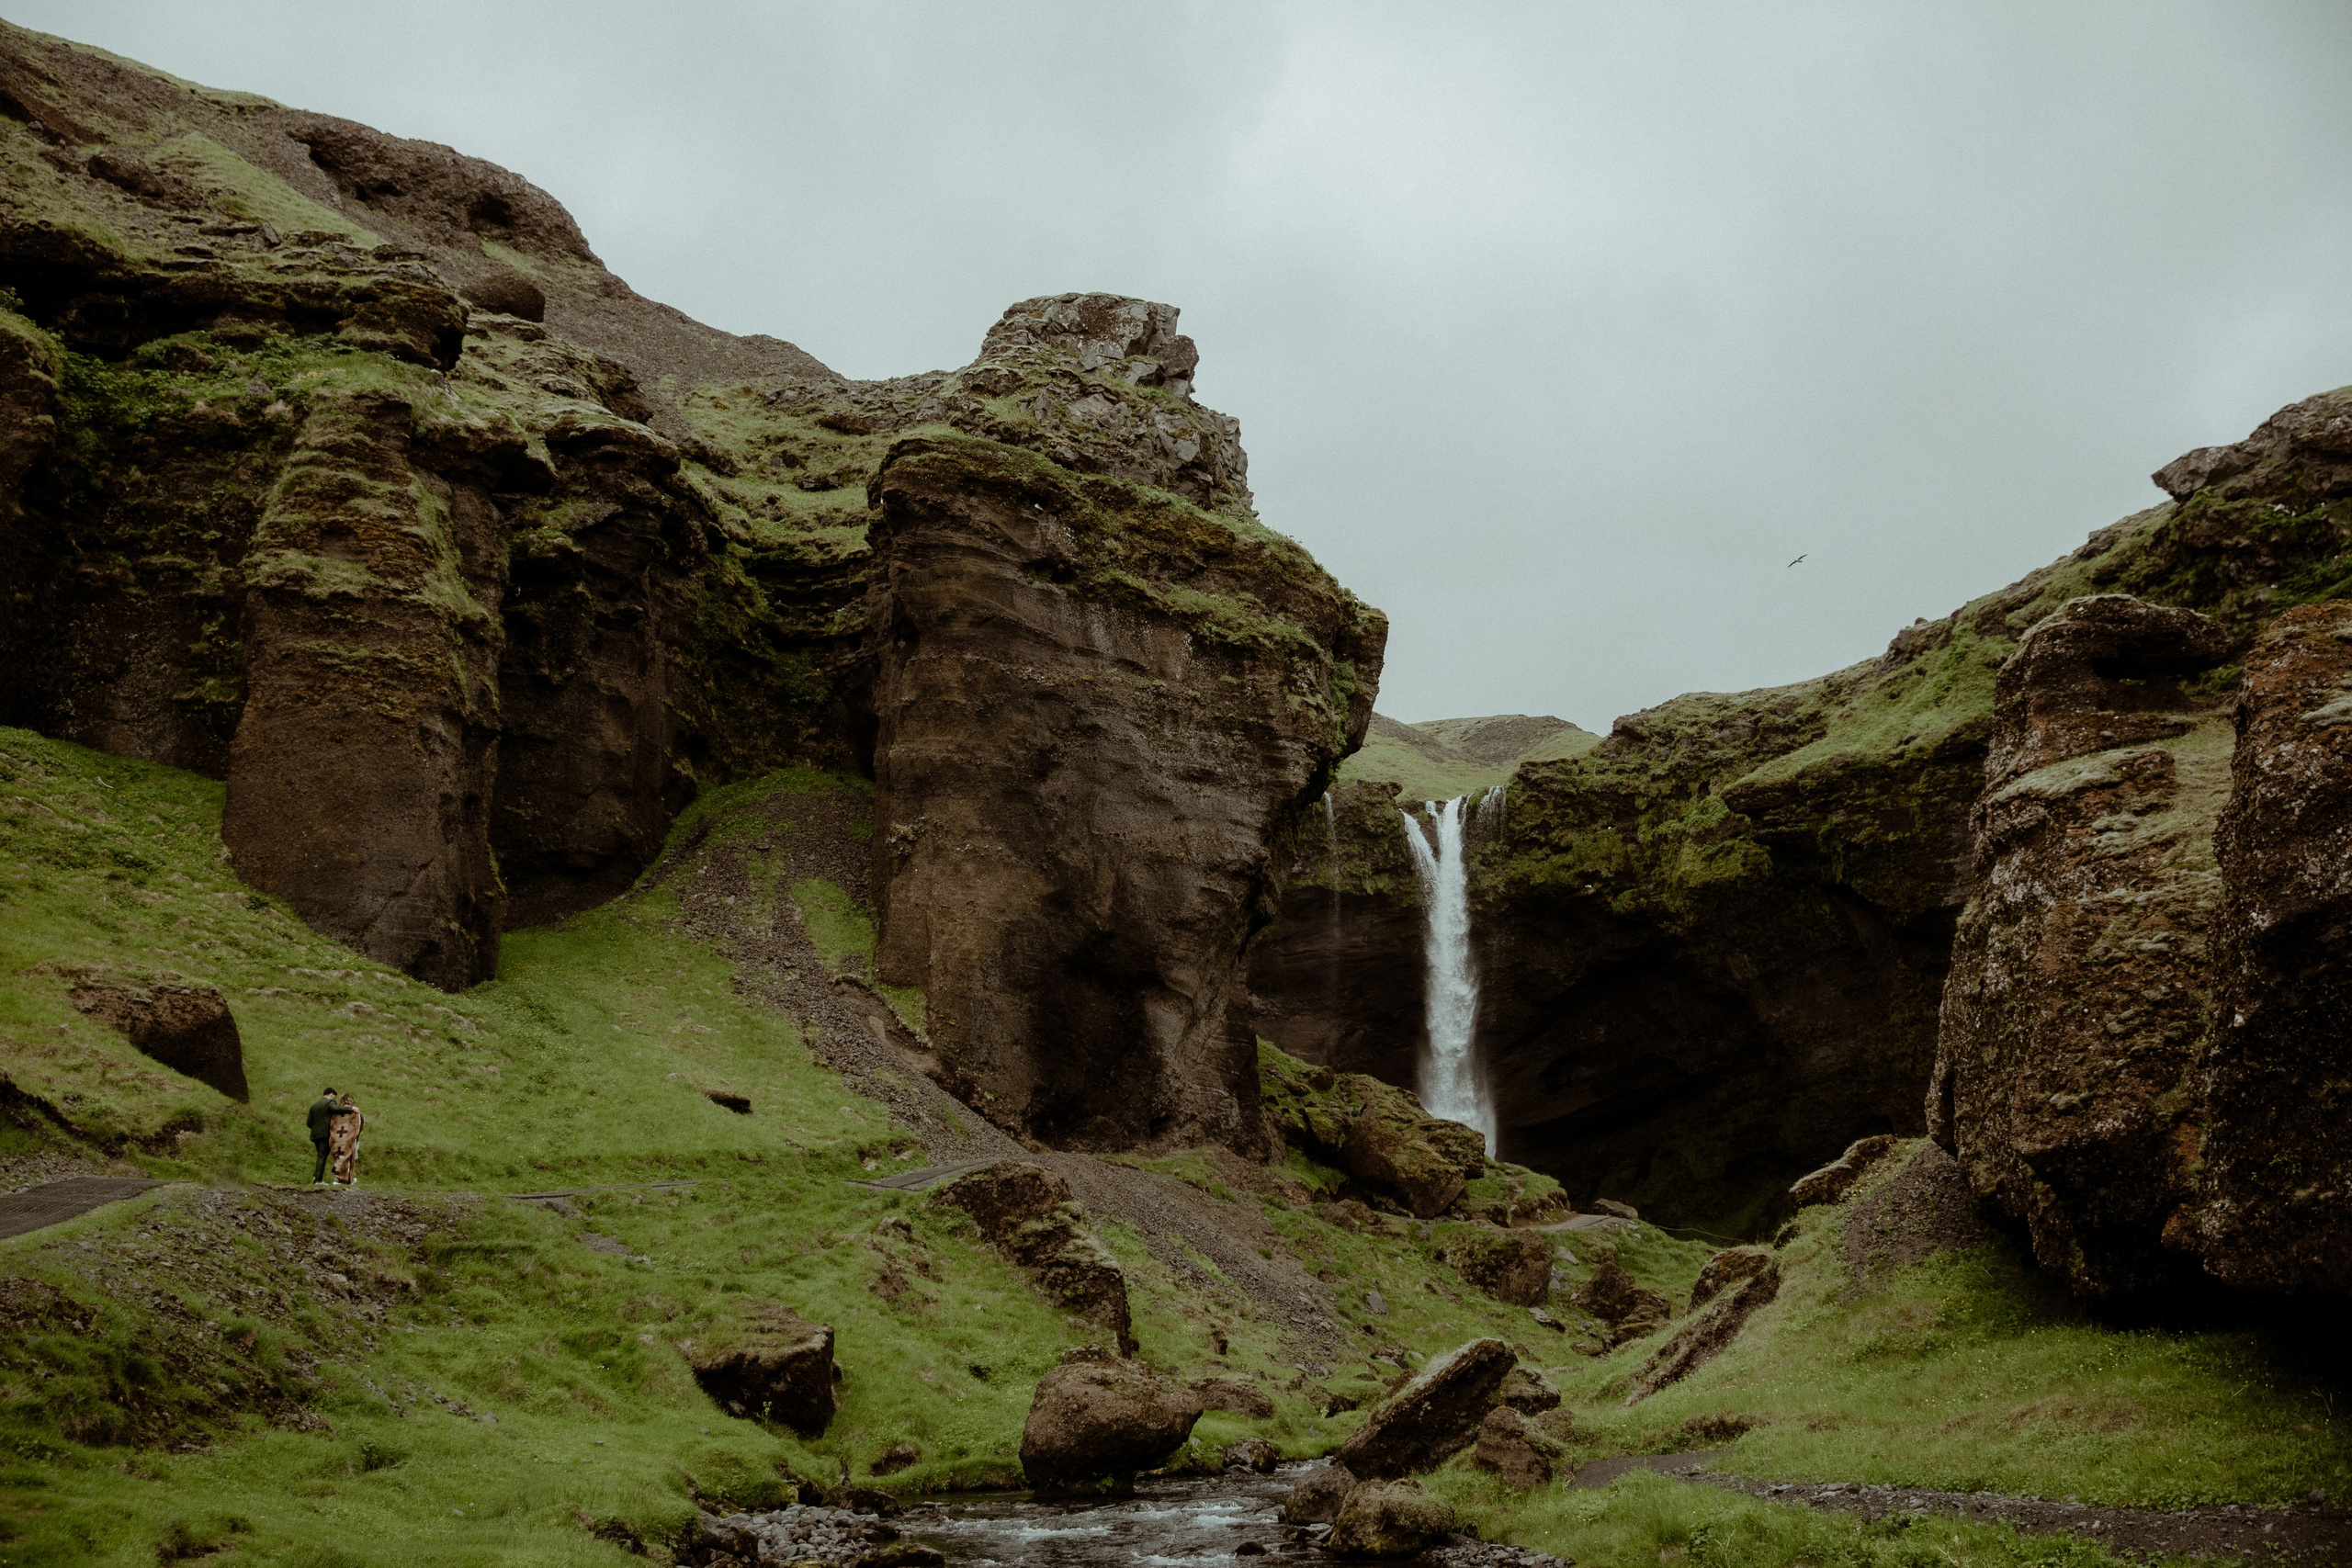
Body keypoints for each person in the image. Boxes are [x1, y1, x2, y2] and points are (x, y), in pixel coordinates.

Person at [329, 1092, 366, 1187]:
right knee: (347, 1159)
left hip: (336, 1139)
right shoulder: (355, 1112)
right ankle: (339, 1179)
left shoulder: (336, 1112)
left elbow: (332, 1125)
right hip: (349, 1139)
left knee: (338, 1158)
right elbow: (361, 1123)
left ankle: (347, 1179)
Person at [307, 1087, 341, 1186]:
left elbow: (309, 1123)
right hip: (324, 1134)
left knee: (320, 1155)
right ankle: (318, 1180)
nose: (334, 1099)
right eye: (334, 1097)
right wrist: (351, 1108)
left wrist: (316, 1128)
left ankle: (316, 1176)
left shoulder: (314, 1106)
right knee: (322, 1156)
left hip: (315, 1135)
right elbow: (336, 1109)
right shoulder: (330, 1103)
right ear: (331, 1094)